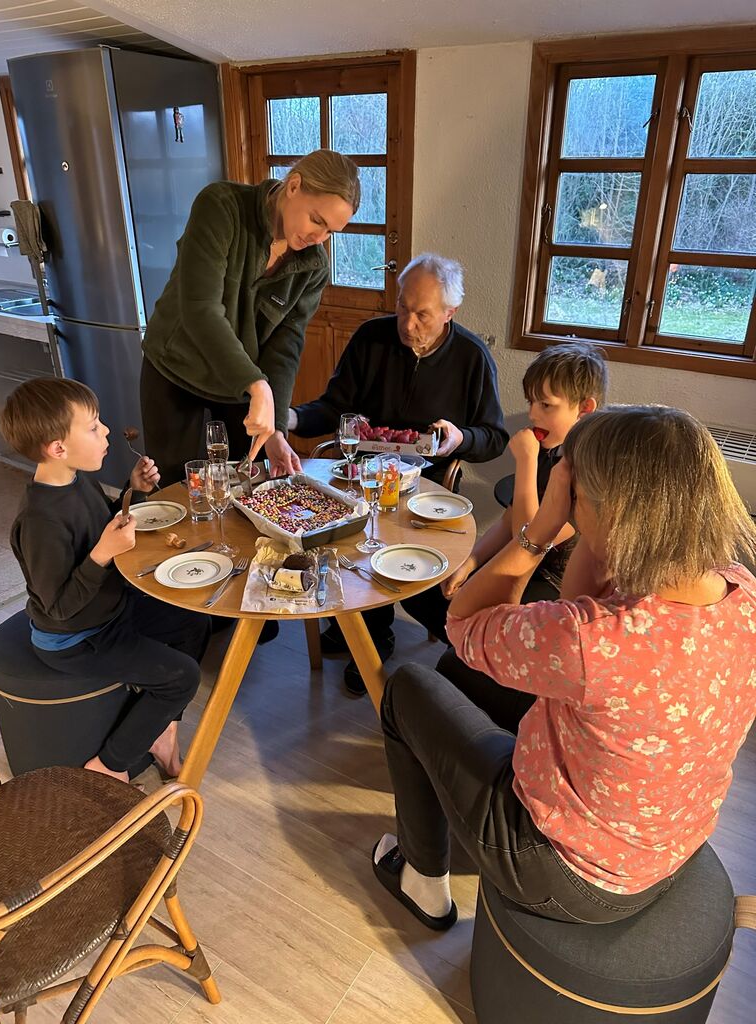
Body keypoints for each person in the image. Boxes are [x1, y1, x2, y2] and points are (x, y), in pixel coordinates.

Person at [371, 405, 756, 930]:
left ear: (608, 510)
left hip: (568, 873)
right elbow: (582, 598)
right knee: (462, 679)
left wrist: (542, 529)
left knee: (407, 685)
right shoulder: (741, 590)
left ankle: (422, 879)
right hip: (670, 842)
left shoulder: (590, 642)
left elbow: (463, 622)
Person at [287, 252, 509, 693]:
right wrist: (288, 419)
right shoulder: (372, 338)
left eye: (422, 314)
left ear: (450, 313)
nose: (407, 324)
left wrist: (460, 438)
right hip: (359, 477)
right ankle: (368, 630)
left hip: (426, 488)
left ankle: (384, 635)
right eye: (402, 308)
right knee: (335, 535)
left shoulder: (471, 356)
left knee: (398, 551)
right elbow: (335, 407)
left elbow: (494, 435)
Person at [0, 378, 211, 783]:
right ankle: (109, 767)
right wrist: (103, 554)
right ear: (58, 448)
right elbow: (59, 605)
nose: (107, 431)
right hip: (76, 637)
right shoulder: (41, 521)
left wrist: (133, 493)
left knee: (193, 620)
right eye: (94, 426)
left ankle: (162, 731)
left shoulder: (76, 479)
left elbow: (99, 528)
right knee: (182, 676)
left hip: (110, 610)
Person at [141, 150, 360, 483]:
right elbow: (201, 308)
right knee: (176, 488)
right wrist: (258, 385)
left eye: (331, 231)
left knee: (248, 485)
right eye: (317, 220)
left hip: (241, 386)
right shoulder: (221, 206)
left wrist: (275, 430)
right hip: (176, 369)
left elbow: (286, 345)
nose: (319, 238)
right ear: (294, 186)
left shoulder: (313, 266)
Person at [405, 341, 608, 653]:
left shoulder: (588, 470)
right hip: (524, 561)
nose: (532, 414)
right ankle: (471, 656)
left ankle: (482, 659)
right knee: (420, 589)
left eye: (546, 405)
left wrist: (526, 463)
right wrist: (470, 561)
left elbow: (529, 539)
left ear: (584, 408)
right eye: (531, 403)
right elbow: (510, 518)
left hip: (555, 585)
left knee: (474, 618)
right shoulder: (549, 450)